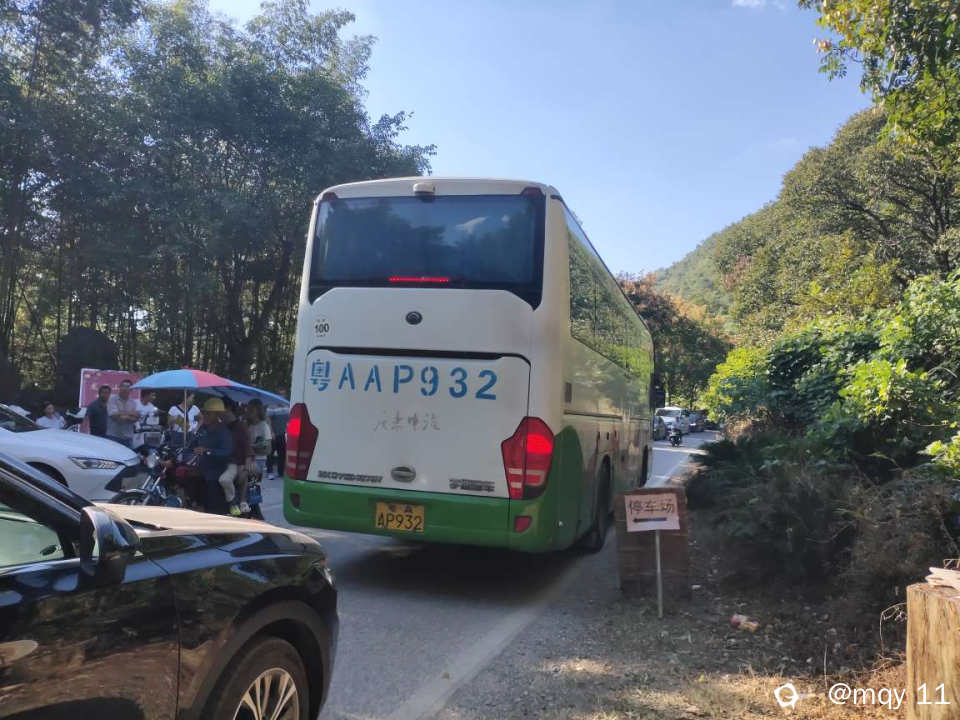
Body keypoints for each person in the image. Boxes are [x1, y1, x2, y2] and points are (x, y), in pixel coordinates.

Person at [191, 398, 234, 515]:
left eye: (208, 413)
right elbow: (193, 443)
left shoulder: (224, 432)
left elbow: (226, 452)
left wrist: (207, 451)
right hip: (201, 469)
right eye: (204, 413)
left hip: (216, 471)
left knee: (211, 498)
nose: (205, 416)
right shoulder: (202, 429)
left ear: (217, 415)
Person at [219, 405, 253, 516]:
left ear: (228, 410)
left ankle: (236, 503)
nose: (219, 414)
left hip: (237, 463)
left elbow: (248, 450)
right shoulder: (221, 426)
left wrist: (246, 469)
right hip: (221, 462)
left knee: (226, 479)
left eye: (221, 411)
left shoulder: (241, 427)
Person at [246, 400, 273, 482]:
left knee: (253, 483)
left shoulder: (264, 426)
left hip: (259, 459)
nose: (249, 411)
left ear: (258, 411)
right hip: (247, 458)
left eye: (252, 409)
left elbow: (267, 444)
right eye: (248, 408)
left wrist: (253, 446)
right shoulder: (247, 425)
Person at [107, 379, 139, 447]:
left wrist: (121, 414)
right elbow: (114, 416)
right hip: (114, 436)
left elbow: (136, 418)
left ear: (131, 389)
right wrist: (130, 414)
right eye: (123, 386)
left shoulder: (133, 403)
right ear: (119, 387)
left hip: (128, 437)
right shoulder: (112, 400)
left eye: (127, 386)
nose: (125, 388)